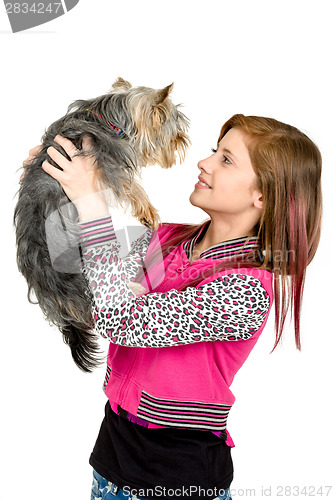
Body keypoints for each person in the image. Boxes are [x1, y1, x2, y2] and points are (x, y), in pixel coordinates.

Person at [22, 113, 322, 500]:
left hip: (180, 480)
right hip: (112, 461)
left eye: (226, 159)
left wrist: (90, 199)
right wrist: (52, 190)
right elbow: (84, 277)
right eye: (215, 151)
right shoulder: (164, 239)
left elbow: (119, 320)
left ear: (262, 195)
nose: (204, 162)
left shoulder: (247, 289)